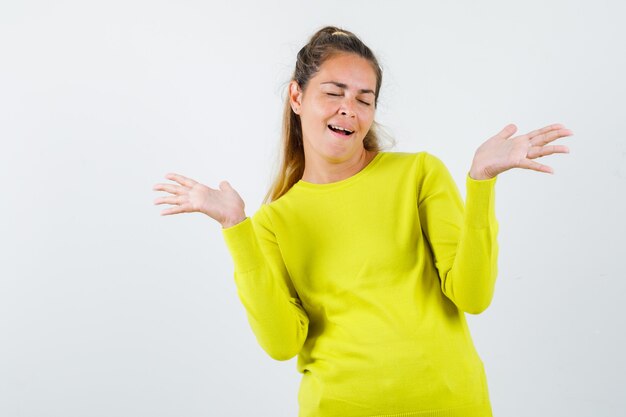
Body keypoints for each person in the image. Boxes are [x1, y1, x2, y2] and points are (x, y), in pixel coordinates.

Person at [153, 26, 572, 417]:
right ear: (297, 98)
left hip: (451, 402)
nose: (348, 110)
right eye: (334, 93)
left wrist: (480, 182)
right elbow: (282, 345)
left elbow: (473, 296)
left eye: (363, 99)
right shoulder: (272, 222)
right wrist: (234, 226)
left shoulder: (419, 174)